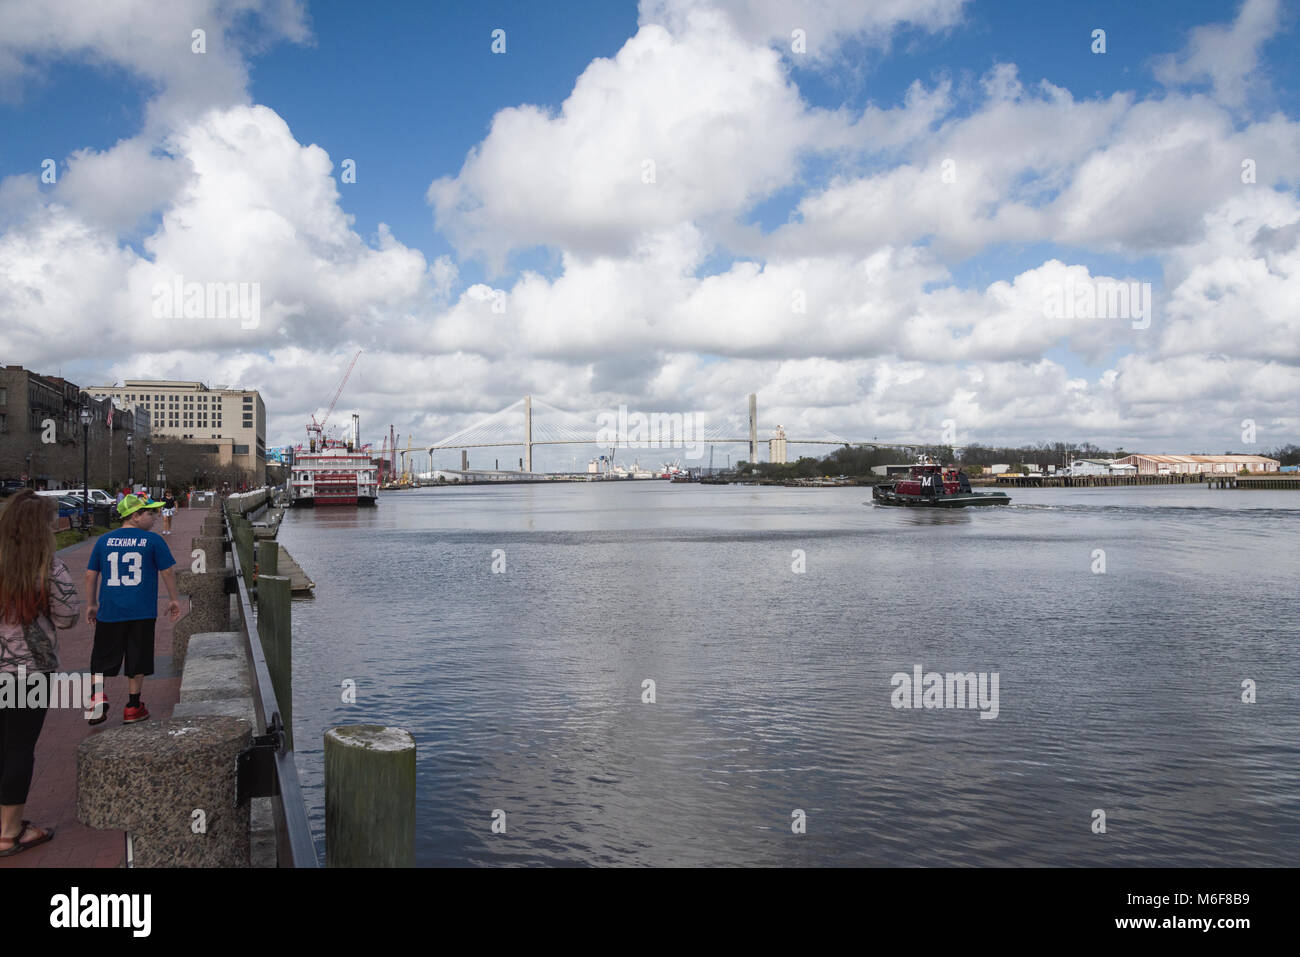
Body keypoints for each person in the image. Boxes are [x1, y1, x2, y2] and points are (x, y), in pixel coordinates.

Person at [0, 491, 79, 857]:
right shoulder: (48, 568)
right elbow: (67, 617)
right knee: (17, 748)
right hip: (27, 674)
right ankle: (9, 832)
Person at [83, 495, 181, 726]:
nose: (155, 517)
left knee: (102, 656)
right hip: (142, 612)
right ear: (135, 516)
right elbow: (167, 571)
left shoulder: (103, 541)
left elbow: (90, 574)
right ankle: (133, 706)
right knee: (138, 658)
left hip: (110, 611)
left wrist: (91, 604)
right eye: (150, 513)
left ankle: (97, 697)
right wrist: (174, 599)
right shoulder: (153, 541)